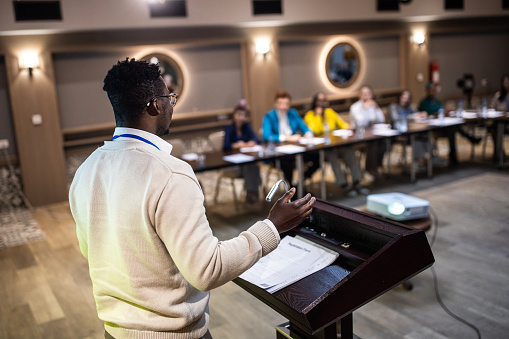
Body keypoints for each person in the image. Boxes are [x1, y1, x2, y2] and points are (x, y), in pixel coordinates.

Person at [69, 58, 315, 339]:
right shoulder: (171, 173)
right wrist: (272, 227)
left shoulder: (86, 169)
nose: (172, 105)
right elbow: (207, 269)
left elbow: (92, 250)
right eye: (169, 98)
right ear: (155, 105)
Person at [304, 92, 370, 197]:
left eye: (324, 101)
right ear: (315, 102)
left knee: (349, 151)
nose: (321, 104)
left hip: (335, 144)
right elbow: (314, 130)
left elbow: (341, 123)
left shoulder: (330, 112)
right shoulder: (310, 115)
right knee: (332, 156)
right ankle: (344, 184)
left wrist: (348, 127)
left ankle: (356, 181)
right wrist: (319, 116)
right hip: (321, 148)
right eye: (319, 101)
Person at [262, 90, 320, 188]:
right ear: (276, 104)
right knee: (286, 163)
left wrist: (308, 133)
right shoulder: (269, 116)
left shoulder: (292, 113)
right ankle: (291, 188)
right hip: (279, 151)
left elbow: (304, 128)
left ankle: (301, 182)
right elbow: (266, 136)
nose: (284, 107)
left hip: (295, 148)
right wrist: (287, 138)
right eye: (281, 103)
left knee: (317, 157)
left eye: (286, 104)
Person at [418, 81, 481, 165]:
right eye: (431, 90)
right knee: (453, 129)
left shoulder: (437, 101)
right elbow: (425, 115)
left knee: (453, 128)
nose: (433, 92)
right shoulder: (423, 102)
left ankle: (454, 153)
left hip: (442, 125)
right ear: (427, 91)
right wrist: (437, 114)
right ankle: (468, 140)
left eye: (434, 90)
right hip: (432, 128)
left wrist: (446, 111)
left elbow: (441, 110)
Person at [223, 99, 261, 204]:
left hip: (245, 161)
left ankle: (251, 195)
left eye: (243, 115)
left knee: (252, 166)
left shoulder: (246, 127)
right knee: (252, 167)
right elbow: (226, 145)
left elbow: (256, 140)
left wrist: (244, 144)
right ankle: (252, 196)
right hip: (232, 163)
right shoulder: (229, 128)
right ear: (234, 115)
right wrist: (236, 145)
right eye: (239, 115)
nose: (241, 118)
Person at [349, 86, 387, 178]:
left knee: (384, 142)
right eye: (364, 94)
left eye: (368, 94)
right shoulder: (355, 107)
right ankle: (369, 169)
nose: (367, 96)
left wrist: (377, 108)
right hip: (358, 135)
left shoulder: (372, 105)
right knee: (373, 143)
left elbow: (382, 120)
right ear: (360, 96)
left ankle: (376, 166)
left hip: (372, 133)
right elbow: (360, 123)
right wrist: (365, 110)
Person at [390, 90, 432, 172]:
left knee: (423, 134)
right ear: (400, 97)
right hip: (398, 133)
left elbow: (416, 113)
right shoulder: (394, 106)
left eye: (408, 98)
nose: (406, 99)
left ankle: (428, 157)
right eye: (404, 97)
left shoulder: (408, 106)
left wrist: (420, 114)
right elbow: (396, 118)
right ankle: (416, 161)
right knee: (416, 136)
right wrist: (413, 116)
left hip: (409, 131)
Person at [489, 73, 509, 161]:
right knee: (494, 128)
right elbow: (492, 108)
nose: (506, 84)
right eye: (504, 82)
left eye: (507, 81)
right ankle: (499, 154)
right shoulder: (499, 95)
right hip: (499, 121)